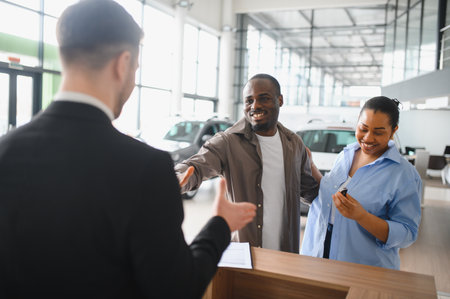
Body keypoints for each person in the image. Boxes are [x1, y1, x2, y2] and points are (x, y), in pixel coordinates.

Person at [0, 1, 256, 298]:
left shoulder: (5, 153)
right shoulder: (145, 169)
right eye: (135, 67)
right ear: (122, 65)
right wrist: (220, 224)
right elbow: (178, 289)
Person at [176, 74, 319, 253]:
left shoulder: (294, 144)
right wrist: (175, 178)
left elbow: (311, 192)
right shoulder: (228, 141)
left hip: (285, 254)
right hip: (244, 255)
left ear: (280, 100)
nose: (255, 106)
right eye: (249, 100)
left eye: (264, 98)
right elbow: (196, 166)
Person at [301, 96, 421, 270]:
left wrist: (362, 217)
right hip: (318, 257)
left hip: (364, 269)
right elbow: (328, 197)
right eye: (363, 128)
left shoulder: (404, 174)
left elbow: (407, 233)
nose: (368, 138)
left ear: (393, 130)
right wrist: (310, 165)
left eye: (378, 132)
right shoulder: (345, 155)